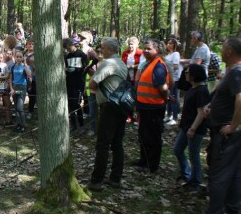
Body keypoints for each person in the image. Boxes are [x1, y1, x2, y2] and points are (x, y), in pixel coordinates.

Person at [205, 37, 241, 214]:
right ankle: (233, 208)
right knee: (235, 173)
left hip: (229, 134)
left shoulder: (238, 72)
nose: (221, 51)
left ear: (230, 52)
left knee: (220, 175)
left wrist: (233, 126)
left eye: (224, 48)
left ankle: (216, 210)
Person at [87, 37, 128, 191]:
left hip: (110, 107)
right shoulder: (121, 63)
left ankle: (96, 181)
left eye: (103, 48)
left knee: (103, 144)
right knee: (117, 143)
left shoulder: (108, 63)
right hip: (121, 106)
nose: (101, 51)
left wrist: (93, 75)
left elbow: (92, 84)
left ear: (110, 49)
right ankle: (115, 178)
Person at [134, 39, 170, 173]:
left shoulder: (159, 66)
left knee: (153, 137)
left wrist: (165, 98)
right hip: (144, 106)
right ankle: (143, 161)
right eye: (145, 48)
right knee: (143, 135)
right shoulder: (149, 64)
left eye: (149, 48)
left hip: (153, 108)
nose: (145, 51)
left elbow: (163, 87)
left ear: (157, 50)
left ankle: (151, 165)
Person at [172, 64, 209, 192]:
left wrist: (193, 129)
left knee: (194, 156)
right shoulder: (193, 88)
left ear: (193, 75)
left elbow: (201, 113)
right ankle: (186, 174)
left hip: (195, 130)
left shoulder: (201, 91)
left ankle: (195, 181)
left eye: (187, 72)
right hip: (186, 127)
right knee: (177, 149)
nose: (185, 74)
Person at [65, 39, 88, 133]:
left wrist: (76, 70)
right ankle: (73, 124)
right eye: (67, 49)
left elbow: (86, 68)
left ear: (72, 45)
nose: (68, 50)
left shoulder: (82, 55)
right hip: (69, 82)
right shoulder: (67, 56)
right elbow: (66, 67)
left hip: (79, 83)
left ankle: (81, 125)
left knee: (77, 104)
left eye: (69, 48)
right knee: (70, 104)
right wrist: (67, 69)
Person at [9, 50, 32, 133]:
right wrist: (11, 89)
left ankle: (23, 125)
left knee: (20, 107)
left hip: (22, 87)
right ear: (15, 57)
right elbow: (10, 79)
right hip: (14, 87)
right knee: (16, 108)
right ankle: (18, 125)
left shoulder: (25, 66)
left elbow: (29, 74)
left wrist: (25, 64)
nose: (18, 58)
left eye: (20, 57)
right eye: (17, 56)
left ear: (22, 58)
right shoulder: (13, 67)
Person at [163, 38, 182, 125]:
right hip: (167, 79)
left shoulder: (176, 54)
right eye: (168, 43)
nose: (168, 45)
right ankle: (169, 115)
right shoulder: (167, 56)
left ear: (174, 45)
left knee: (174, 97)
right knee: (169, 97)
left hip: (174, 78)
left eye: (171, 43)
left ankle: (175, 117)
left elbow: (175, 66)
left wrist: (167, 70)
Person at [25, 39, 37, 119]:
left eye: (32, 44)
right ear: (26, 45)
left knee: (32, 94)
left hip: (34, 76)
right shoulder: (24, 54)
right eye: (29, 44)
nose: (30, 45)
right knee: (26, 93)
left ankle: (30, 111)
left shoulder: (37, 54)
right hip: (24, 77)